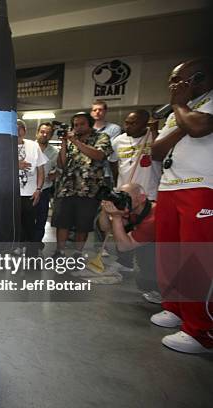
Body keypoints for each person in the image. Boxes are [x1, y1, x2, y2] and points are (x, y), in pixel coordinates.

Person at [150, 57, 213, 354]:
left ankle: (201, 330)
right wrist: (182, 117)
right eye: (172, 82)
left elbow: (199, 128)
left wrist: (182, 109)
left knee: (196, 258)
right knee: (169, 254)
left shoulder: (206, 102)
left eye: (179, 81)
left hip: (202, 187)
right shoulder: (179, 112)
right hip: (170, 186)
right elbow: (157, 150)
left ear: (199, 78)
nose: (173, 87)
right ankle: (175, 308)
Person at [52, 112, 112, 257]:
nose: (78, 127)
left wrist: (76, 141)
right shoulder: (71, 140)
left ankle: (78, 253)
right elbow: (62, 164)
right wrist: (65, 144)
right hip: (66, 188)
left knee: (82, 225)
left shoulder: (101, 137)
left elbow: (99, 155)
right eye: (75, 125)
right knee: (62, 222)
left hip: (88, 189)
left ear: (90, 124)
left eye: (82, 124)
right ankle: (59, 252)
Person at [95, 183, 159, 299]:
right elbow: (105, 228)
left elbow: (123, 246)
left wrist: (116, 217)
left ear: (142, 198)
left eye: (126, 196)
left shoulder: (154, 217)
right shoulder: (135, 210)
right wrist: (105, 211)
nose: (122, 200)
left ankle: (167, 289)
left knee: (147, 280)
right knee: (144, 282)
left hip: (177, 258)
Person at [109, 110, 161, 200]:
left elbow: (159, 155)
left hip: (149, 192)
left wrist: (154, 131)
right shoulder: (118, 140)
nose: (127, 127)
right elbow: (113, 164)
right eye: (126, 123)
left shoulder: (154, 135)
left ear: (145, 124)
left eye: (133, 124)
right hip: (125, 193)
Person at [16, 119, 47, 257]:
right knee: (16, 224)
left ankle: (31, 253)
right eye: (14, 128)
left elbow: (41, 170)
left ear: (25, 130)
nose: (17, 130)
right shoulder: (2, 146)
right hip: (11, 194)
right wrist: (15, 165)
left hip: (30, 193)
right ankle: (16, 248)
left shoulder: (34, 146)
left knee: (31, 225)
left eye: (20, 128)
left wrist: (39, 189)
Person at [33, 122, 58, 250]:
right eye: (42, 131)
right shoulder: (28, 147)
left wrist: (55, 174)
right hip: (27, 190)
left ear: (51, 135)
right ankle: (23, 243)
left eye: (48, 133)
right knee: (25, 218)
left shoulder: (54, 152)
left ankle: (36, 243)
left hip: (44, 190)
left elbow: (61, 168)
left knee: (41, 218)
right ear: (37, 132)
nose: (44, 134)